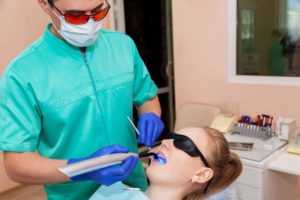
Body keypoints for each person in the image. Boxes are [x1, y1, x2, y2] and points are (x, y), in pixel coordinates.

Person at [0, 0, 164, 199]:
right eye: (75, 16)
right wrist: (80, 169)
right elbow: (16, 165)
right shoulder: (22, 73)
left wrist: (151, 115)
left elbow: (147, 97)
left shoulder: (124, 46)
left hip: (135, 188)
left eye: (97, 12)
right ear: (45, 4)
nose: (89, 23)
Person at [89, 127, 243, 200]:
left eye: (182, 143)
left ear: (201, 174)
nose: (165, 142)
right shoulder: (113, 191)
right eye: (171, 136)